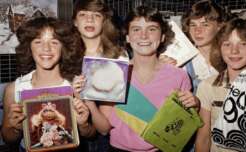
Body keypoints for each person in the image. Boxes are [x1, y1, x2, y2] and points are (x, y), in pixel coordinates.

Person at [73, 5, 200, 151]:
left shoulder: (179, 76)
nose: (144, 36)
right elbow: (104, 129)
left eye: (152, 29)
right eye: (136, 29)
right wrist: (89, 101)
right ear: (127, 37)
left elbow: (181, 127)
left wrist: (194, 106)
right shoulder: (113, 74)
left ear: (163, 36)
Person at [1, 16, 94, 151]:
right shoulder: (14, 89)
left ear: (64, 47)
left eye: (54, 42)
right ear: (29, 47)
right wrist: (15, 128)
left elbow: (91, 134)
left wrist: (84, 125)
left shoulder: (76, 86)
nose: (46, 48)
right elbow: (7, 138)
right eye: (38, 42)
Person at [195, 18, 246, 152]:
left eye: (243, 44)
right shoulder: (207, 86)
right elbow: (203, 138)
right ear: (219, 48)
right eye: (227, 44)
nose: (234, 51)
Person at [72, 0, 126, 151]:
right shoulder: (64, 56)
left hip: (102, 140)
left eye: (96, 15)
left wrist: (86, 96)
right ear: (75, 22)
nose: (89, 19)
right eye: (83, 14)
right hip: (70, 136)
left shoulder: (117, 58)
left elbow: (104, 128)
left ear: (104, 21)